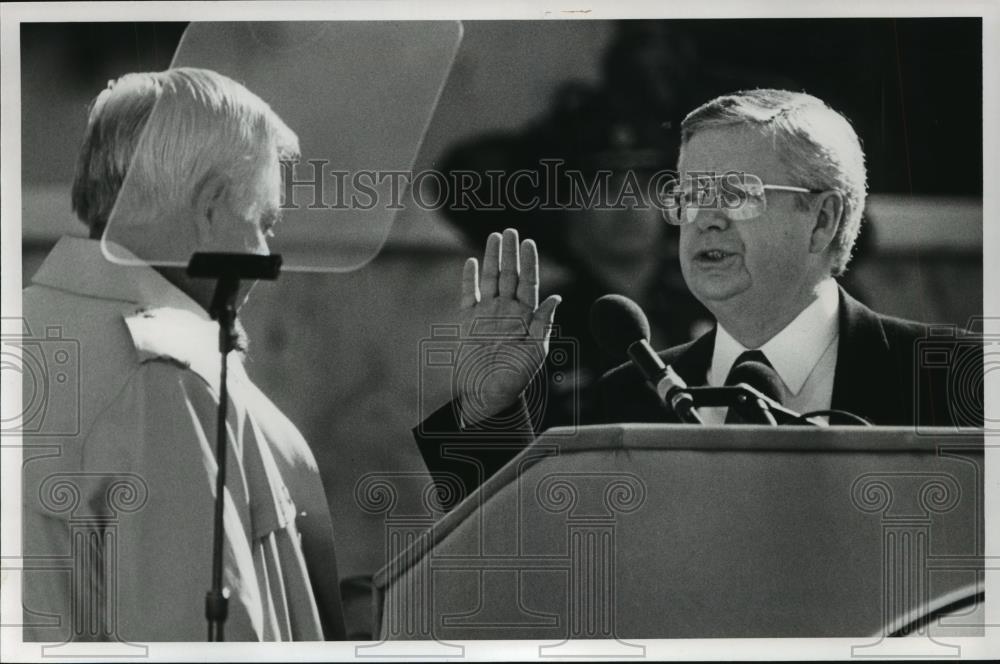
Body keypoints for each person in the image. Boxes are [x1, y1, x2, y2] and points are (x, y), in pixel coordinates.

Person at [414, 89, 983, 505]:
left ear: (822, 219)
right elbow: (533, 554)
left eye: (735, 193)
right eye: (690, 195)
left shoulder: (960, 377)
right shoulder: (628, 398)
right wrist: (488, 411)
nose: (704, 220)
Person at [22, 69, 345, 641]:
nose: (266, 253)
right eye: (263, 223)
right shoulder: (163, 375)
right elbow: (201, 640)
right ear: (213, 207)